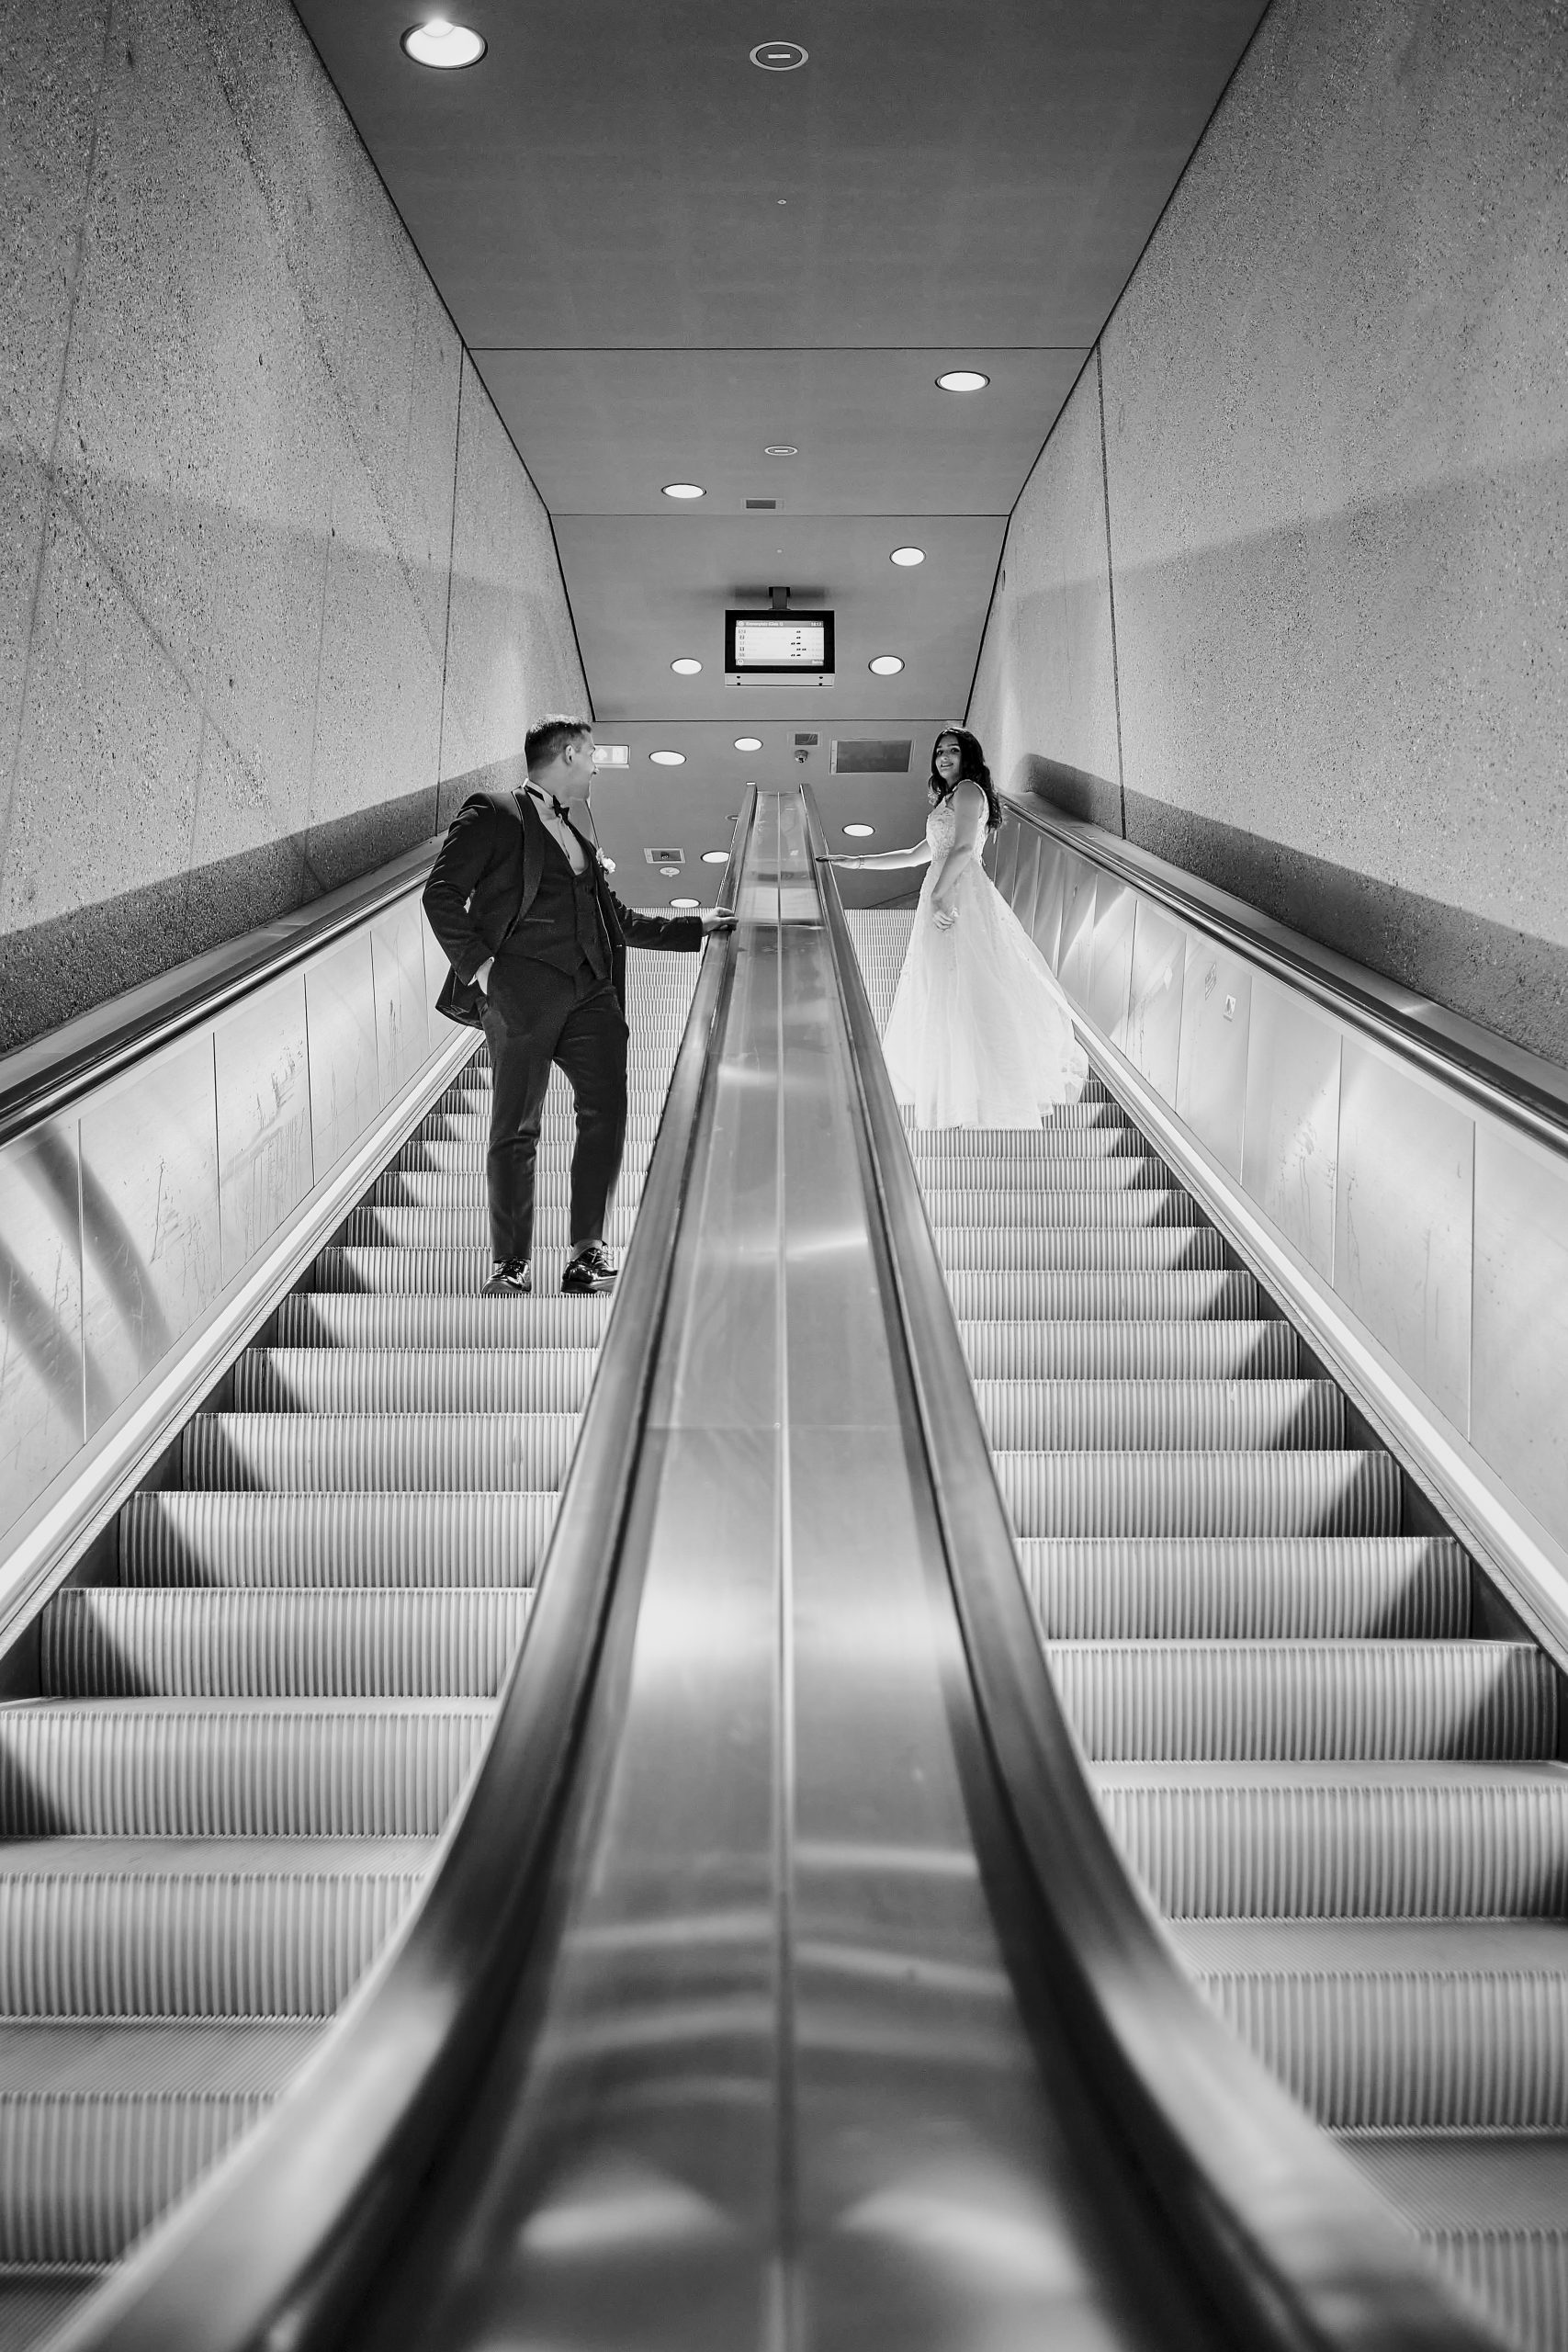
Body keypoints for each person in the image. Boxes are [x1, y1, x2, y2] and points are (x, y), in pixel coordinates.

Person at [423, 716, 733, 1295]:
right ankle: (510, 1262)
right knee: (517, 1125)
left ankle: (586, 1252)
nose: (595, 765)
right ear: (568, 754)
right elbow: (440, 893)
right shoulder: (493, 811)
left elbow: (621, 920)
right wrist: (483, 970)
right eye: (591, 754)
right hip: (520, 991)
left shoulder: (582, 841)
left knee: (607, 1112)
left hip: (592, 993)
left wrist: (698, 925)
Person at [823, 726, 1088, 1126]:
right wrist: (857, 862)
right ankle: (959, 1095)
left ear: (968, 757)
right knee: (945, 988)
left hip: (960, 893)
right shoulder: (946, 799)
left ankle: (988, 1096)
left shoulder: (967, 791)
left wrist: (938, 895)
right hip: (943, 889)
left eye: (953, 750)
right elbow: (917, 855)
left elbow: (963, 846)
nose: (944, 757)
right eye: (939, 751)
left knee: (970, 984)